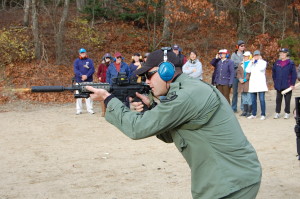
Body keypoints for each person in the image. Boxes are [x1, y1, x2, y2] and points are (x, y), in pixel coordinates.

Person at [86, 48, 262, 199]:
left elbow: (136, 129)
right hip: (227, 178)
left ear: (165, 71)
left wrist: (108, 99)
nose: (147, 81)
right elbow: (170, 135)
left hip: (230, 183)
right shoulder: (187, 90)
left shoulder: (187, 95)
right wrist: (151, 108)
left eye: (148, 75)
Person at [272, 48, 297, 119]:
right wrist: (275, 81)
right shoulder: (277, 63)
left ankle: (287, 112)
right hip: (279, 85)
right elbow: (274, 73)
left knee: (287, 100)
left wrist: (292, 84)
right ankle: (277, 112)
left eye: (284, 53)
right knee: (278, 100)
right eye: (281, 53)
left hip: (287, 85)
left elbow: (294, 74)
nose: (282, 54)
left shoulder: (290, 63)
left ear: (287, 54)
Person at [246, 50, 268, 120]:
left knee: (262, 99)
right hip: (253, 84)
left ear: (259, 55)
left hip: (260, 84)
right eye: (255, 55)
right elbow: (247, 70)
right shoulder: (251, 63)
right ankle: (253, 113)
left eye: (257, 55)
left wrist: (258, 61)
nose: (256, 56)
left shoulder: (263, 62)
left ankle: (263, 114)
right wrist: (251, 62)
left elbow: (261, 68)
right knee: (253, 100)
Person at [73, 48, 95, 115]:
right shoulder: (76, 61)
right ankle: (78, 110)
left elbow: (92, 69)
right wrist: (81, 75)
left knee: (88, 95)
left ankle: (90, 109)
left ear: (86, 53)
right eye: (81, 53)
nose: (83, 54)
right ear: (79, 53)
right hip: (79, 80)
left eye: (84, 52)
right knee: (78, 95)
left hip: (88, 80)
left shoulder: (89, 60)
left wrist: (86, 76)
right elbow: (75, 70)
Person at [231, 40, 246, 112]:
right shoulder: (233, 55)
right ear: (238, 47)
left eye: (243, 46)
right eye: (241, 46)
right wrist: (240, 64)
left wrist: (238, 64)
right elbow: (232, 64)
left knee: (243, 91)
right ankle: (234, 107)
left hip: (243, 75)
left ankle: (243, 108)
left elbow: (246, 63)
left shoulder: (245, 54)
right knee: (235, 92)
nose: (243, 47)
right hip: (235, 75)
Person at [237, 51, 252, 117]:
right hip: (241, 82)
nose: (245, 57)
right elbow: (238, 72)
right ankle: (245, 111)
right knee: (244, 97)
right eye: (244, 56)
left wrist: (245, 79)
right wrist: (240, 78)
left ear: (249, 57)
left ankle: (249, 111)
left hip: (248, 82)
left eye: (246, 56)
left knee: (249, 97)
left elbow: (250, 73)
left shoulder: (251, 63)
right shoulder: (241, 63)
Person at [97, 53, 112, 117]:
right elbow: (98, 73)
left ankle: (109, 111)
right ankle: (103, 111)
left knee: (109, 97)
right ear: (104, 58)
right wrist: (99, 77)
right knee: (102, 98)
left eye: (108, 58)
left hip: (109, 83)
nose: (107, 59)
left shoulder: (112, 65)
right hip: (102, 83)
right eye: (106, 58)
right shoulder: (101, 65)